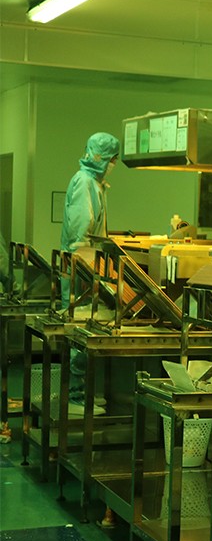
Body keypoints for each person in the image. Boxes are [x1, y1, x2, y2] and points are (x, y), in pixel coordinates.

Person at [61, 132, 120, 415]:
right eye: (112, 159)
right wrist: (86, 268)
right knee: (79, 331)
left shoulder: (95, 184)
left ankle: (81, 393)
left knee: (85, 329)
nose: (113, 164)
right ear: (102, 158)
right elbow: (80, 233)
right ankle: (74, 398)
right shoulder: (84, 182)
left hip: (86, 266)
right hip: (80, 267)